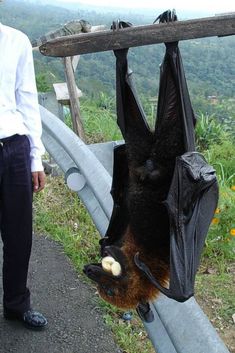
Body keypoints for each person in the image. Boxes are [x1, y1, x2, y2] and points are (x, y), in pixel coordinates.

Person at [0, 17, 47, 329]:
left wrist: (35, 158)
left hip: (14, 147)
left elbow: (27, 100)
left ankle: (17, 305)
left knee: (19, 236)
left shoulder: (16, 40)